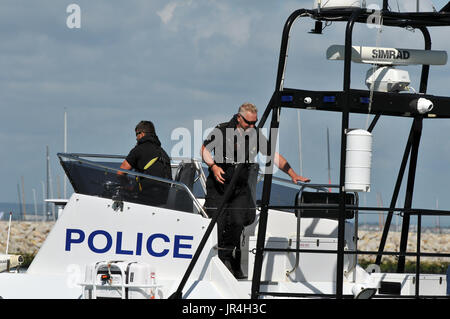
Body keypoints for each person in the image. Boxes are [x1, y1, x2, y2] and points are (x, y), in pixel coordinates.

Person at [201, 103, 310, 279]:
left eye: (255, 123)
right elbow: (204, 150)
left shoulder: (255, 135)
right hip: (219, 186)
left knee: (238, 221)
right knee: (217, 224)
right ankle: (216, 261)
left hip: (240, 188)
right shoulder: (221, 130)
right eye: (249, 123)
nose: (252, 126)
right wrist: (212, 166)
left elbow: (273, 156)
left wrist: (292, 173)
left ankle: (227, 257)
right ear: (239, 118)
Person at [118, 120, 172, 206]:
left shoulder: (139, 150)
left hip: (146, 199)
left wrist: (128, 186)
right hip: (164, 199)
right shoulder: (163, 153)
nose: (136, 138)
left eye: (137, 134)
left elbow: (120, 173)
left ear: (142, 134)